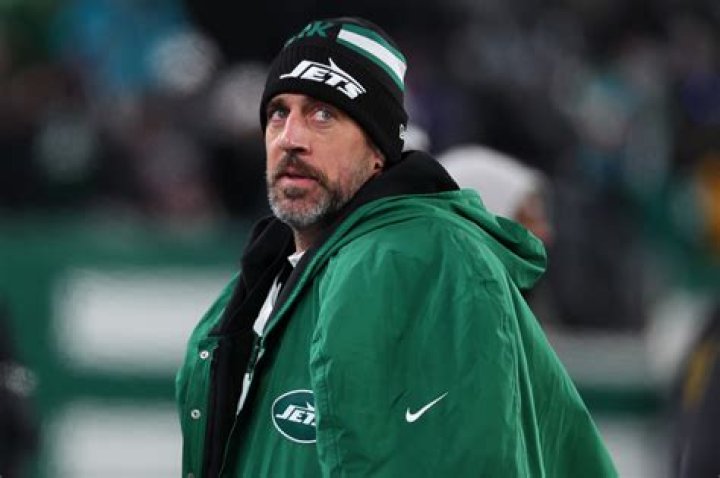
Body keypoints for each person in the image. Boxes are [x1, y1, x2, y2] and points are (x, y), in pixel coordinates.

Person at [176, 17, 616, 477]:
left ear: (378, 150)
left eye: (323, 115)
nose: (290, 138)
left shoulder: (425, 256)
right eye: (278, 113)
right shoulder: (257, 284)